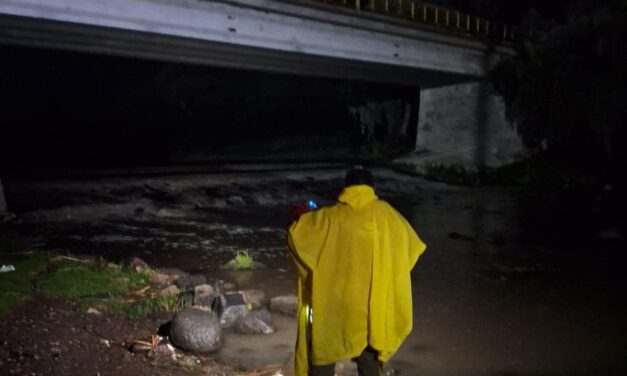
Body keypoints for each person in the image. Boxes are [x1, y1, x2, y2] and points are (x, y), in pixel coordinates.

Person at [288, 167, 427, 376]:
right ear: (372, 187)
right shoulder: (387, 215)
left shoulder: (328, 217)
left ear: (346, 188)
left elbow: (296, 237)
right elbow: (412, 248)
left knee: (324, 350)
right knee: (370, 356)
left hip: (334, 302)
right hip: (371, 303)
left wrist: (299, 216)